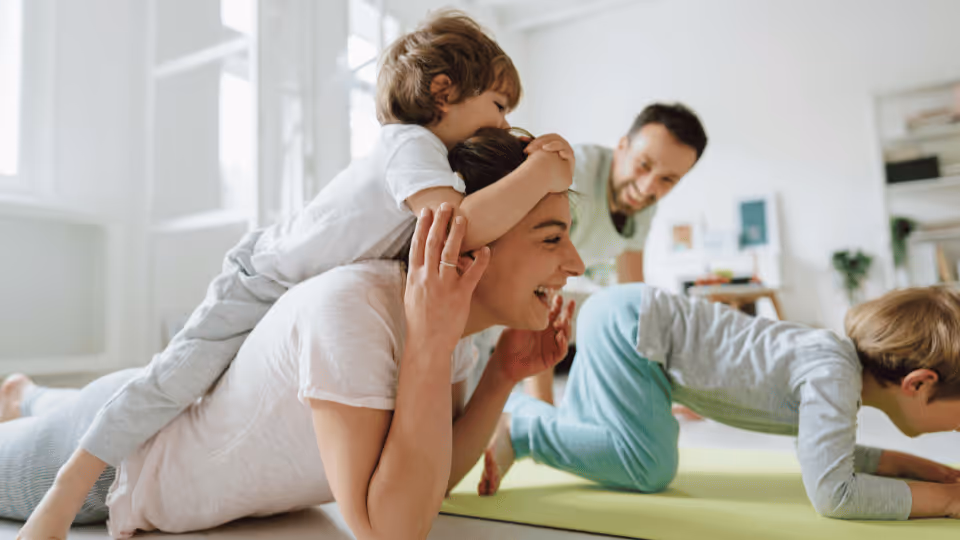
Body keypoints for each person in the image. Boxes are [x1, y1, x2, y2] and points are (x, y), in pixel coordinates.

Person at [19, 10, 579, 530]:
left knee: (171, 386)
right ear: (443, 92)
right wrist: (545, 171)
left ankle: (26, 394)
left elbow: (428, 484)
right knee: (171, 379)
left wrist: (502, 374)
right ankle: (67, 482)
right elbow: (456, 225)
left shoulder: (437, 302)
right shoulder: (407, 150)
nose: (505, 126)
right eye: (500, 107)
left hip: (181, 407)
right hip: (233, 313)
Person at [481, 283, 960, 521]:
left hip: (627, 318)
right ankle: (521, 424)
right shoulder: (835, 376)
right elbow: (834, 493)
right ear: (918, 383)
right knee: (648, 467)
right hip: (632, 330)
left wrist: (905, 465)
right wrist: (947, 501)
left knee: (613, 446)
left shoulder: (836, 372)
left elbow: (824, 455)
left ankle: (532, 425)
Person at [524, 103, 708, 405]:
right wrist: (544, 411)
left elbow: (632, 293)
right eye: (644, 165)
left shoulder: (645, 205)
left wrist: (664, 392)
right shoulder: (572, 176)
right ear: (621, 146)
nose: (648, 187)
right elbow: (535, 287)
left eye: (667, 180)